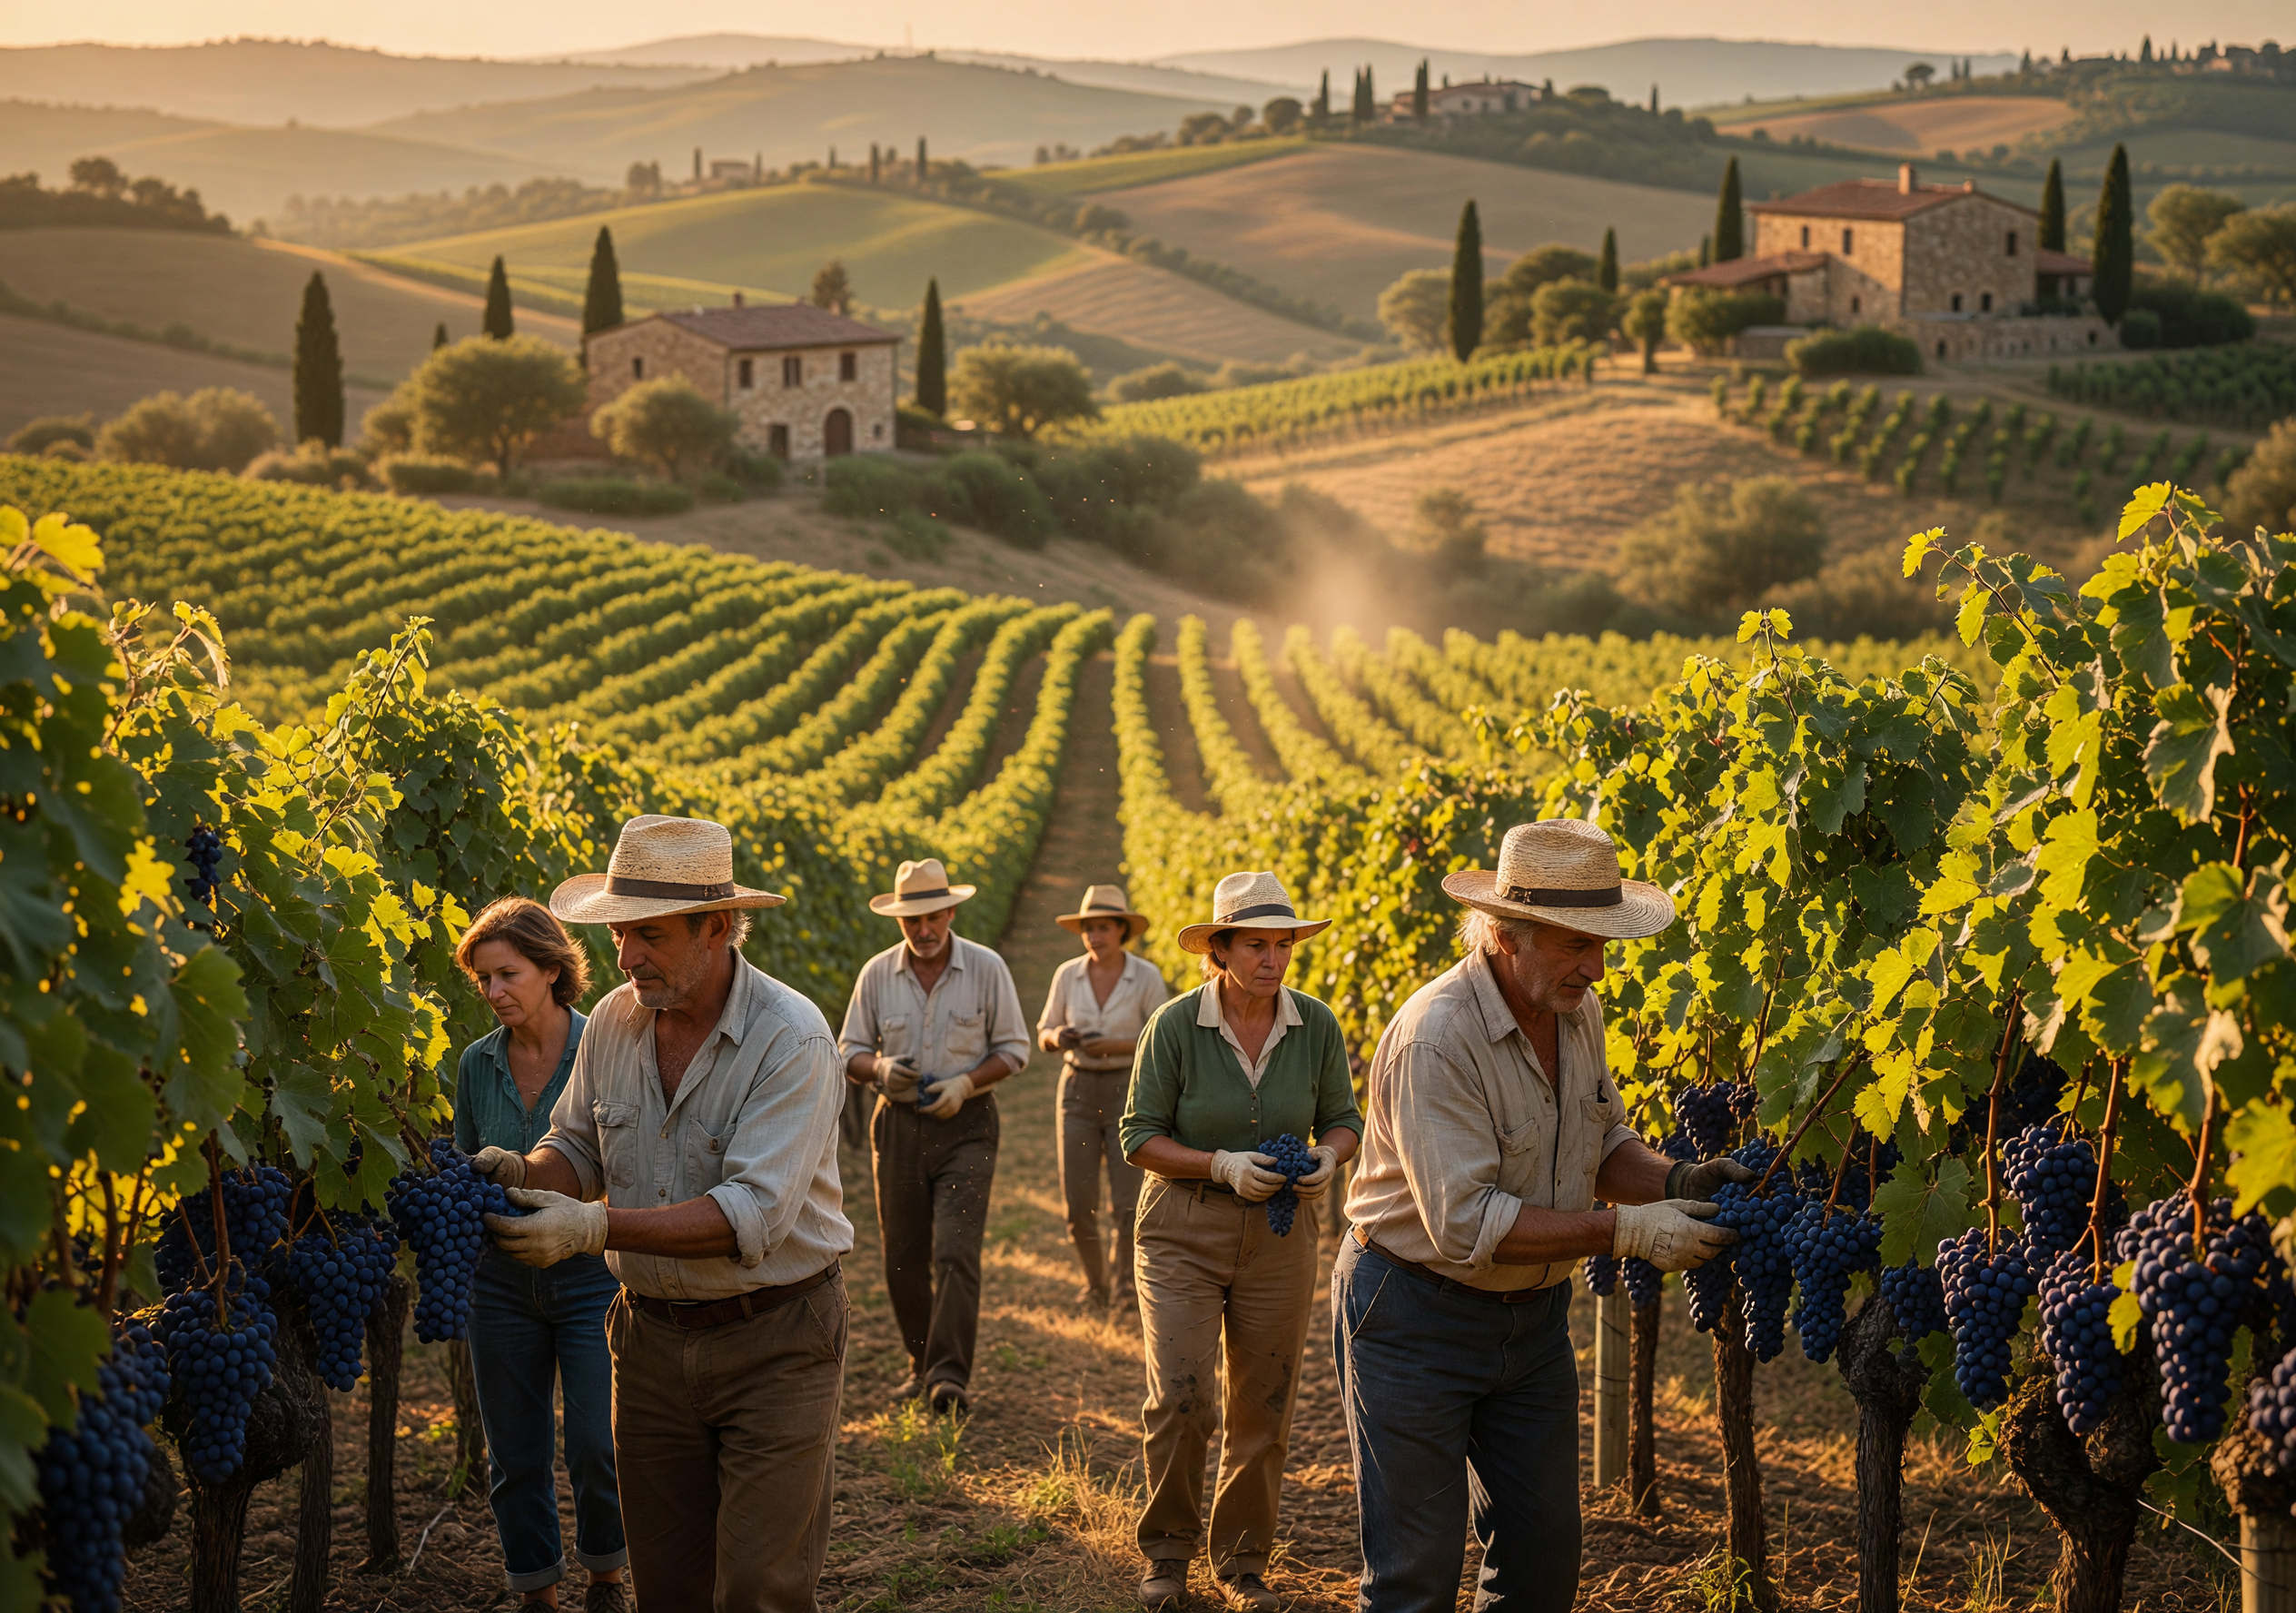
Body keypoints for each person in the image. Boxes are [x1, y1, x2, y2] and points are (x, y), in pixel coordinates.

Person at [1337, 817, 1749, 1613]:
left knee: (1543, 1565)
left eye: (1601, 946)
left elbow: (1600, 1142)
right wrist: (1625, 1232)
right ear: (1504, 934)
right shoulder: (1437, 1038)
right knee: (1414, 1577)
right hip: (1414, 1316)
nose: (1596, 968)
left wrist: (1677, 1177)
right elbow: (1466, 1223)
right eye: (1575, 944)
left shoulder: (1573, 1010)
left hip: (1533, 1323)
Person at [471, 814, 853, 1613]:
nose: (625, 955)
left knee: (758, 1587)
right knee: (669, 1584)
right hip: (647, 1343)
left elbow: (750, 1214)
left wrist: (595, 1226)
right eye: (617, 934)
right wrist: (520, 1171)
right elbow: (575, 1146)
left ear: (715, 927)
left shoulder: (791, 1039)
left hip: (777, 1343)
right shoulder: (615, 1019)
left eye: (648, 933)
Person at [1120, 871, 1362, 1613]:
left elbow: (1343, 1119)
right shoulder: (1174, 1026)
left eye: (1283, 943)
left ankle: (1243, 1561)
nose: (1273, 958)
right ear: (1220, 948)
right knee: (1184, 1393)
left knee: (1266, 1403)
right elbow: (1138, 1138)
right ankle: (1167, 1552)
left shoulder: (1315, 1024)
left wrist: (1329, 1158)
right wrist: (1220, 1163)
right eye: (1256, 944)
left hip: (1281, 1237)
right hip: (1182, 1231)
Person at [451, 898, 626, 1612]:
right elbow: (462, 1174)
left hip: (590, 1277)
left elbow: (627, 1162)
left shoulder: (607, 1049)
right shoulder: (474, 1065)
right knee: (515, 1456)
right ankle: (536, 1592)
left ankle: (607, 1577)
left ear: (553, 970)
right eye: (484, 980)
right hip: (498, 1286)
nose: (494, 993)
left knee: (595, 1442)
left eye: (507, 975)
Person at [838, 857, 1030, 1414]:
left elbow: (1014, 1049)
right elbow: (849, 1049)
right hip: (897, 1127)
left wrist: (965, 1084)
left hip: (967, 1125)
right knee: (902, 1255)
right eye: (911, 921)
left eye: (933, 917)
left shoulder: (986, 968)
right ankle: (920, 1364)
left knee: (955, 1251)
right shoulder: (877, 974)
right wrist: (879, 1071)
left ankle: (950, 1376)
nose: (923, 931)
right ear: (900, 920)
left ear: (950, 911)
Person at [1036, 884, 1169, 1315]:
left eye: (1104, 927)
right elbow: (1045, 1032)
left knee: (1127, 1200)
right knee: (1078, 1202)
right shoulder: (1067, 975)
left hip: (1128, 1092)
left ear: (1121, 931)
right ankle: (1096, 1284)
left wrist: (1111, 1045)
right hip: (1075, 1090)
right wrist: (1060, 1037)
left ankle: (1127, 1285)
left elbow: (1161, 1040)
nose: (1095, 936)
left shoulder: (1145, 976)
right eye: (1089, 928)